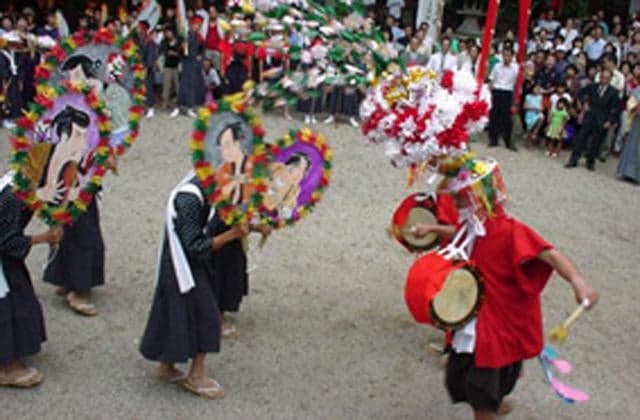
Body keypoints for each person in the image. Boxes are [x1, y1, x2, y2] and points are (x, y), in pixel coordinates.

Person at [139, 173, 248, 399]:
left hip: (183, 259)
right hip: (182, 260)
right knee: (206, 313)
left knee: (174, 307)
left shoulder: (210, 190)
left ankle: (166, 365)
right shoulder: (189, 199)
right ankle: (196, 375)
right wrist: (232, 235)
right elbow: (195, 246)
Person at [0, 170, 63, 388]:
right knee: (8, 304)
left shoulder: (19, 183)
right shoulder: (14, 197)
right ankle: (6, 366)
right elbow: (6, 242)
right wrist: (43, 238)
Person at [565, 69, 620, 171]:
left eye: (606, 78)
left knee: (596, 142)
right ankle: (573, 160)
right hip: (589, 115)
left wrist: (610, 121)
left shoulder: (614, 92)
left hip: (602, 118)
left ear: (610, 79)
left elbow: (615, 109)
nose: (604, 80)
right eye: (602, 77)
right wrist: (584, 102)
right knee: (581, 138)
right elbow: (580, 93)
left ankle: (590, 161)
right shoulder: (592, 86)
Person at [172, 16, 205, 119]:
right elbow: (177, 49)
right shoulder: (184, 35)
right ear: (190, 25)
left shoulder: (199, 37)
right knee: (184, 84)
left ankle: (191, 107)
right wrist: (182, 48)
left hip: (195, 63)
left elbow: (202, 50)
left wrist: (201, 56)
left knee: (194, 85)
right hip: (187, 62)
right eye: (195, 24)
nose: (196, 27)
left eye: (198, 25)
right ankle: (178, 106)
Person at [488, 48, 518, 151]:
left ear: (512, 57)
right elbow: (492, 79)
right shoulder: (497, 66)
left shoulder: (516, 68)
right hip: (497, 91)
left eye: (509, 56)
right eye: (505, 55)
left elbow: (520, 80)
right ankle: (493, 139)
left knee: (507, 118)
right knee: (494, 116)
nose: (506, 58)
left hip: (508, 93)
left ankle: (508, 140)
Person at [617, 86, 640, 183]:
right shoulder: (638, 90)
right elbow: (630, 104)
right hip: (637, 121)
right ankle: (627, 172)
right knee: (632, 145)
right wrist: (635, 108)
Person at [137, 21, 159, 119]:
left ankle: (150, 108)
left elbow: (151, 57)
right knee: (140, 89)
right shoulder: (138, 41)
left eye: (139, 28)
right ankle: (143, 107)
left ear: (144, 30)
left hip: (147, 69)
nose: (138, 30)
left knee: (148, 88)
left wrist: (146, 67)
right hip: (138, 68)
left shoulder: (150, 42)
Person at [160, 26, 182, 111]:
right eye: (166, 33)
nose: (168, 34)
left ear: (173, 32)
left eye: (169, 32)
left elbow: (183, 52)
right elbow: (162, 51)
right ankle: (165, 102)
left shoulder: (180, 40)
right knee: (166, 85)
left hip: (177, 66)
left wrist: (176, 54)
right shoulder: (164, 41)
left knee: (178, 85)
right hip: (167, 65)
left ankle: (179, 103)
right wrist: (167, 53)